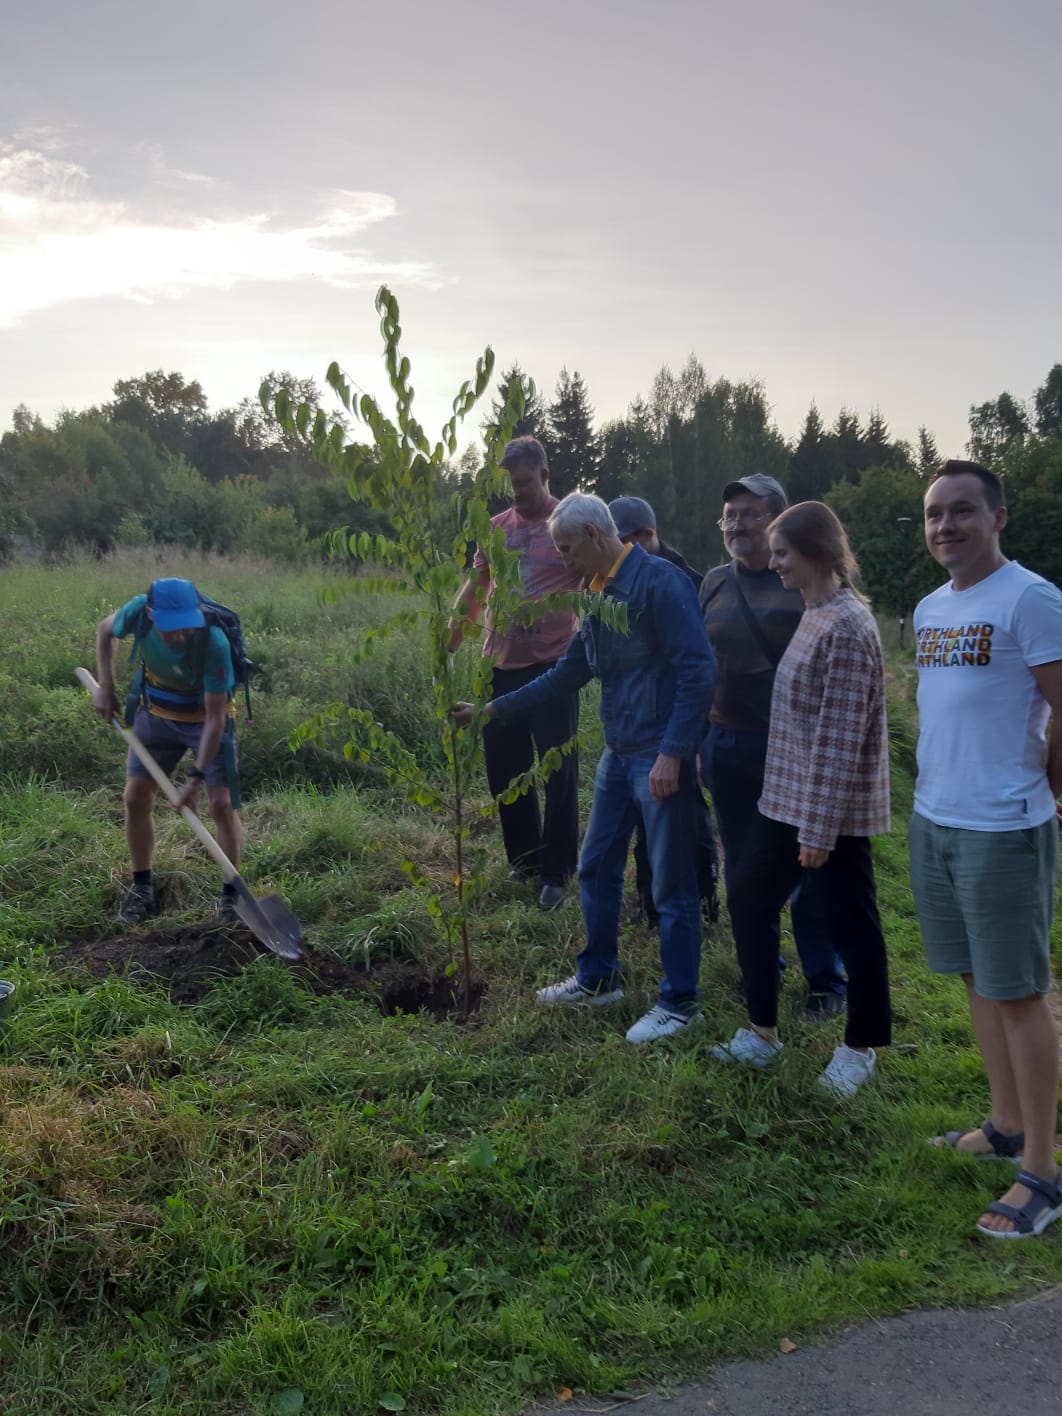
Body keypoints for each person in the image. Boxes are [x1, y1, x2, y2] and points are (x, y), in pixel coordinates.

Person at [454, 493, 717, 1044]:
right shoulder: (593, 595)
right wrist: (491, 711)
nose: (563, 562)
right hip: (619, 755)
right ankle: (599, 978)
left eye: (568, 550)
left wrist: (673, 752)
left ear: (598, 537)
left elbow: (698, 673)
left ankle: (680, 1001)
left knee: (672, 885)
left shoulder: (658, 585)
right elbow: (566, 674)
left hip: (657, 755)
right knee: (594, 868)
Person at [912, 460, 1062, 1239]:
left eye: (963, 511)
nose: (946, 526)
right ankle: (1003, 1124)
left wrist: (1051, 792)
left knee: (1019, 992)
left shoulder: (1032, 599)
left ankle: (1042, 1168)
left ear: (998, 517)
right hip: (937, 817)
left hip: (1005, 826)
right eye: (935, 514)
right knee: (976, 978)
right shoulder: (931, 607)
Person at [711, 502, 891, 1096]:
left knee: (853, 928)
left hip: (828, 814)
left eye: (783, 552)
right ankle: (763, 1034)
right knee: (747, 899)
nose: (774, 561)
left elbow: (838, 741)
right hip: (783, 800)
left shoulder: (846, 625)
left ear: (816, 553)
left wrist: (817, 831)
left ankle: (859, 1049)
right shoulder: (814, 612)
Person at [699, 474, 847, 1020]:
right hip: (727, 743)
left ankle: (825, 981)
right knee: (741, 865)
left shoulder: (801, 583)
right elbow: (699, 668)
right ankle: (760, 969)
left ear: (779, 521)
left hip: (795, 751)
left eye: (750, 513)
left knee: (809, 865)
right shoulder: (713, 582)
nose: (737, 523)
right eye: (730, 515)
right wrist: (696, 741)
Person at [447, 436, 583, 910]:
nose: (517, 494)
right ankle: (524, 861)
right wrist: (451, 638)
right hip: (500, 664)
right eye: (509, 486)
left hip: (554, 664)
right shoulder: (495, 527)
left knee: (557, 770)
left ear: (545, 475)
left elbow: (595, 579)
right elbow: (478, 584)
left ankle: (557, 869)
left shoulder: (570, 521)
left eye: (524, 483)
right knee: (506, 770)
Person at [92, 577, 242, 924]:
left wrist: (195, 779)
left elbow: (216, 719)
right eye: (171, 629)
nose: (179, 636)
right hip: (156, 715)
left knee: (220, 805)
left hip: (205, 721)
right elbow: (104, 631)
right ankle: (142, 890)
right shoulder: (137, 615)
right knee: (135, 798)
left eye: (185, 627)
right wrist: (106, 686)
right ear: (150, 614)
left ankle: (232, 899)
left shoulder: (212, 641)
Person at [607, 495, 719, 926]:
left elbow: (699, 669)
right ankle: (650, 904)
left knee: (690, 818)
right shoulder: (620, 583)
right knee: (645, 819)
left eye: (625, 541)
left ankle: (703, 901)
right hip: (644, 730)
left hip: (685, 726)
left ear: (647, 535)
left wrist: (688, 741)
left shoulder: (688, 582)